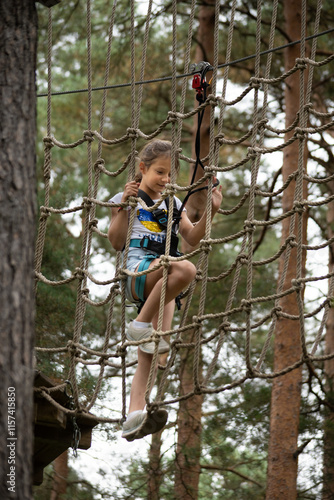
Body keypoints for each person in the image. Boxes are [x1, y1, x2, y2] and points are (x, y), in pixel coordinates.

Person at [108, 139, 222, 441]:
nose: (165, 180)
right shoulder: (126, 197)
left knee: (153, 350)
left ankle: (134, 414)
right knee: (186, 268)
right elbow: (116, 241)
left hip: (162, 284)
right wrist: (123, 208)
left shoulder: (172, 204)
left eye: (170, 175)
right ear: (142, 169)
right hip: (139, 274)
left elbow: (192, 238)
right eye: (160, 172)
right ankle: (139, 324)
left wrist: (210, 211)